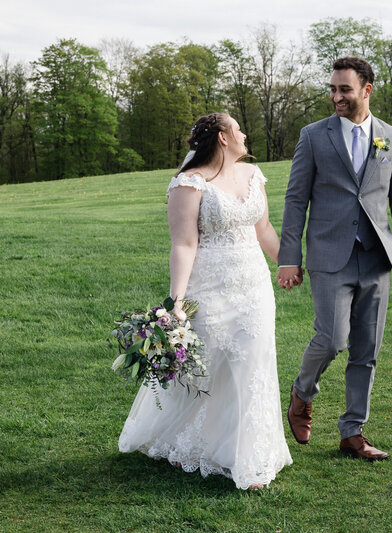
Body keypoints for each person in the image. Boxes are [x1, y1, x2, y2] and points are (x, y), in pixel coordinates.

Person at [118, 112, 292, 490]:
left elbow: (262, 228)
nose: (245, 134)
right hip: (210, 285)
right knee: (208, 367)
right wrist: (176, 301)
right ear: (223, 138)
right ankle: (187, 440)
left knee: (253, 364)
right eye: (239, 129)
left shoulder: (253, 175)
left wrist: (291, 264)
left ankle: (247, 454)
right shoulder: (189, 184)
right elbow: (183, 243)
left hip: (254, 285)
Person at [277, 57, 392, 461]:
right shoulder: (313, 136)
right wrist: (290, 257)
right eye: (333, 89)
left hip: (376, 258)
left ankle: (353, 433)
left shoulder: (389, 137)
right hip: (328, 255)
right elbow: (295, 200)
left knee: (366, 349)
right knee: (332, 338)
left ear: (367, 89)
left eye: (344, 89)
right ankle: (302, 393)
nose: (336, 97)